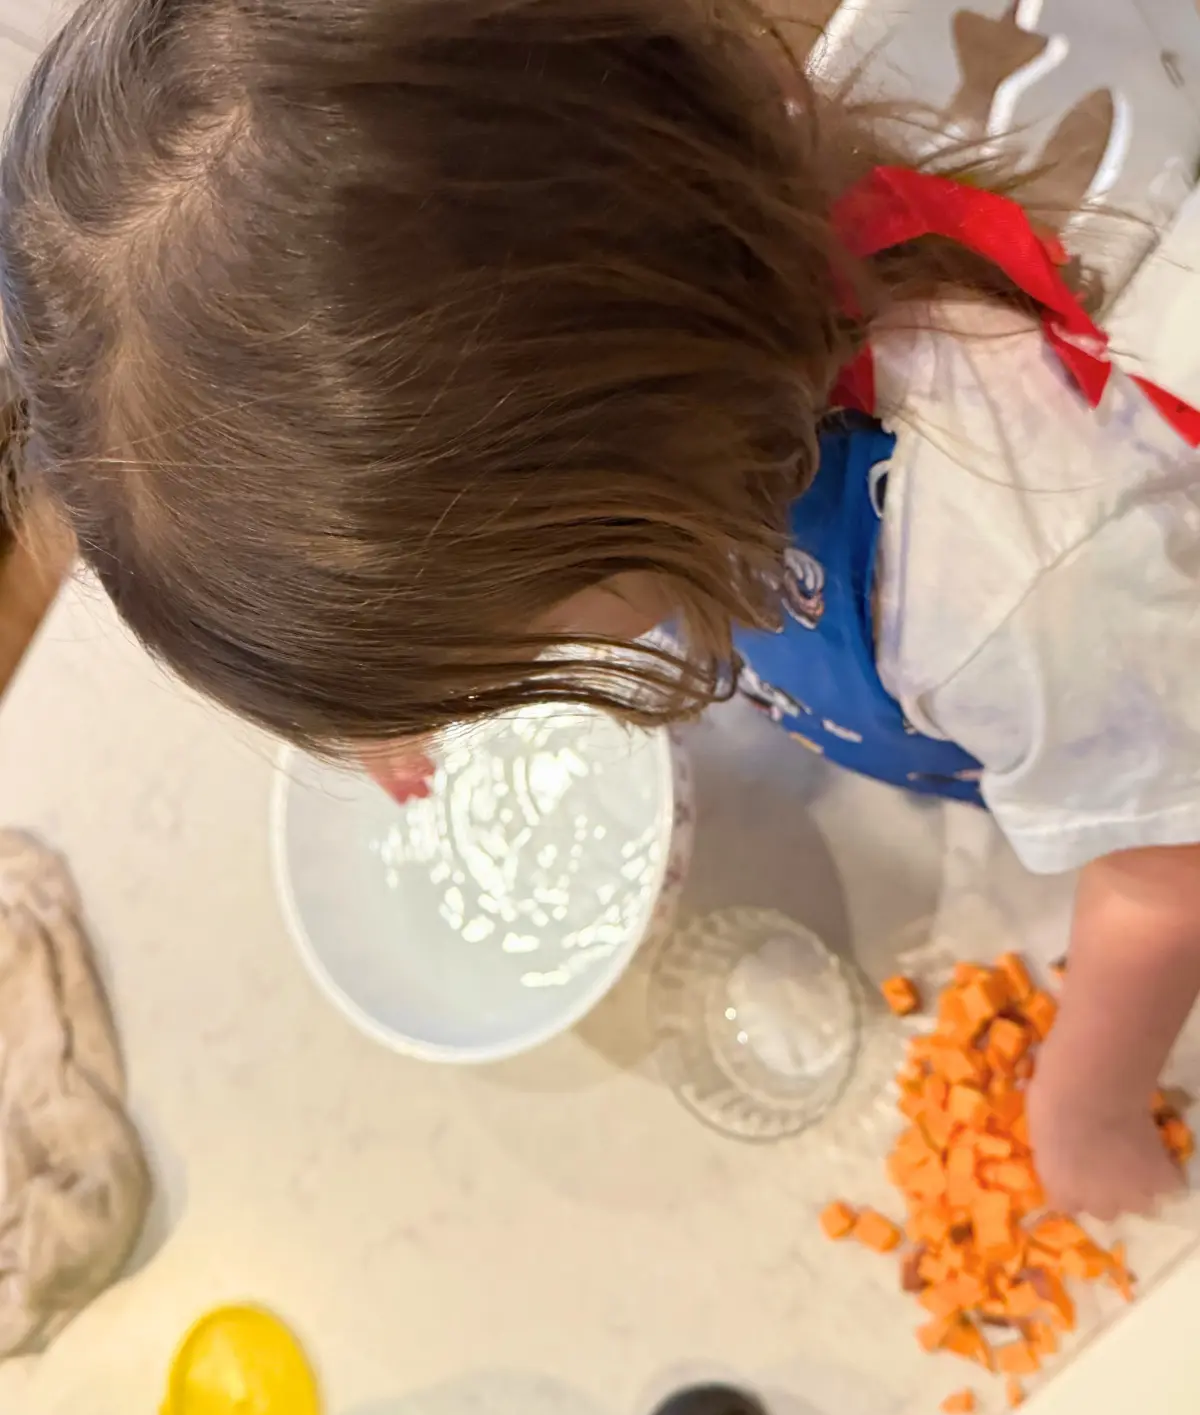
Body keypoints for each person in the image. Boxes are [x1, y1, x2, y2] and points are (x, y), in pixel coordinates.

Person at [3, 0, 1200, 1219]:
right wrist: (400, 680)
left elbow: (1166, 867)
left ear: (636, 477)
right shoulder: (670, 262)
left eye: (508, 647)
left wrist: (1087, 1106)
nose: (494, 681)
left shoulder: (1016, 578)